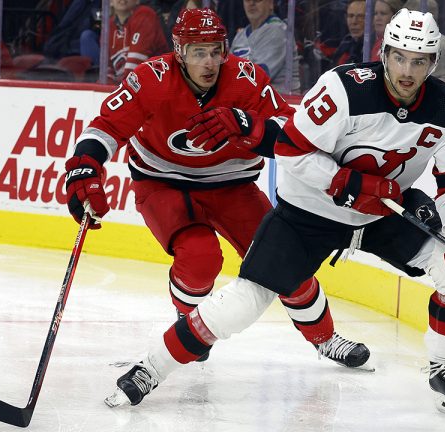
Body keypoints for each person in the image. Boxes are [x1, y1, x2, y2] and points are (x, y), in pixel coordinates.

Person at [107, 8, 445, 419]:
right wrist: (344, 181)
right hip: (310, 212)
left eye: (419, 61)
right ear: (384, 54)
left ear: (433, 63)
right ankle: (151, 367)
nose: (407, 71)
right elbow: (291, 148)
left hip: (383, 212)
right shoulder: (344, 89)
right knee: (246, 300)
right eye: (399, 57)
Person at [64, 8, 369, 370]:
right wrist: (85, 167)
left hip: (233, 186)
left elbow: (290, 130)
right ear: (179, 52)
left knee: (286, 259)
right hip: (163, 184)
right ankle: (189, 325)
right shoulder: (151, 79)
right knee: (200, 257)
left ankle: (326, 339)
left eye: (216, 50)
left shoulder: (246, 78)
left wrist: (249, 124)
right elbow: (106, 127)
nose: (209, 62)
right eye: (198, 52)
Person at [230, 0, 300, 92]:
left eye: (258, 0)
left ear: (271, 4)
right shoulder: (240, 35)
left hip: (280, 102)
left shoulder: (277, 30)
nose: (251, 3)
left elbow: (256, 77)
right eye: (247, 0)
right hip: (247, 102)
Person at [106, 0, 170, 82]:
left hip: (157, 82)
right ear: (110, 2)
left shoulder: (145, 14)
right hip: (128, 85)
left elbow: (135, 64)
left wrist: (121, 89)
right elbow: (107, 68)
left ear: (137, 1)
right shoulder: (109, 25)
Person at [332, 0, 366, 65]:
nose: (354, 22)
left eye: (361, 16)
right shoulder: (345, 44)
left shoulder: (374, 48)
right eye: (350, 16)